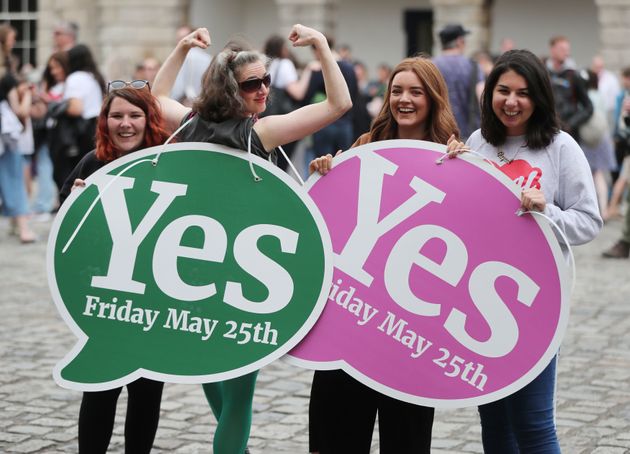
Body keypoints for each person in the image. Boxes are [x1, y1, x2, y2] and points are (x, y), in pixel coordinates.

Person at [151, 24, 351, 453]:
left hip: (189, 268)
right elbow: (340, 104)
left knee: (212, 373)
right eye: (253, 84)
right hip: (241, 274)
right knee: (238, 396)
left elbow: (153, 97)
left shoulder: (190, 123)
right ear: (230, 88)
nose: (264, 90)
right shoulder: (258, 133)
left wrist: (183, 48)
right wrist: (319, 45)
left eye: (267, 80)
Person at [308, 55, 462, 454]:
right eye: (397, 91)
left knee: (406, 439)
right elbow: (336, 223)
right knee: (336, 435)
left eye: (415, 92)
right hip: (352, 320)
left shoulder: (453, 160)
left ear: (433, 98)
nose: (404, 100)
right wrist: (328, 176)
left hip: (409, 332)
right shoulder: (365, 147)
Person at [458, 49, 601, 453]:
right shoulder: (478, 142)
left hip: (534, 302)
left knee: (534, 424)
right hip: (478, 301)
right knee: (494, 422)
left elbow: (589, 222)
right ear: (490, 94)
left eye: (522, 92)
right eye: (503, 90)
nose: (511, 101)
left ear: (538, 97)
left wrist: (547, 210)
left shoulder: (560, 147)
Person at [59, 85, 170, 453]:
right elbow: (65, 227)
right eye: (116, 116)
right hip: (107, 301)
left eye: (134, 116)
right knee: (99, 389)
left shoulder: (171, 161)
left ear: (149, 119)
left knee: (146, 393)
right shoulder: (93, 161)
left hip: (155, 299)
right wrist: (75, 203)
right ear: (104, 121)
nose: (125, 124)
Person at [49, 44, 105, 190]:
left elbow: (76, 109)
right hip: (95, 125)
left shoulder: (75, 78)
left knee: (74, 171)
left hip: (80, 132)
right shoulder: (94, 77)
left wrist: (58, 106)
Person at [0, 23, 36, 244]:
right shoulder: (7, 76)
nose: (14, 42)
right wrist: (29, 95)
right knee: (13, 174)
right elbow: (19, 110)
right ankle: (22, 227)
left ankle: (17, 224)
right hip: (5, 133)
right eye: (12, 38)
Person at [433, 23, 485, 139]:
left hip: (437, 133)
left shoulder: (431, 66)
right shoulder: (473, 66)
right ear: (459, 41)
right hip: (468, 135)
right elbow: (483, 99)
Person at [579, 69, 617, 219]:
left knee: (590, 175)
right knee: (600, 175)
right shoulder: (599, 95)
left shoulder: (585, 97)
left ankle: (595, 210)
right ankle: (604, 209)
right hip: (603, 137)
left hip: (589, 140)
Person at [545, 36, 593, 141]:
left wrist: (571, 124)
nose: (566, 53)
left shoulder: (574, 75)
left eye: (567, 50)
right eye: (562, 49)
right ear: (552, 50)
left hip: (569, 135)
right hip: (547, 131)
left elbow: (589, 107)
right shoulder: (543, 73)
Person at [169, 24, 212, 106]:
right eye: (178, 38)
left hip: (183, 105)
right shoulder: (208, 58)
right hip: (203, 105)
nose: (180, 42)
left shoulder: (182, 58)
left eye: (183, 38)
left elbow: (178, 89)